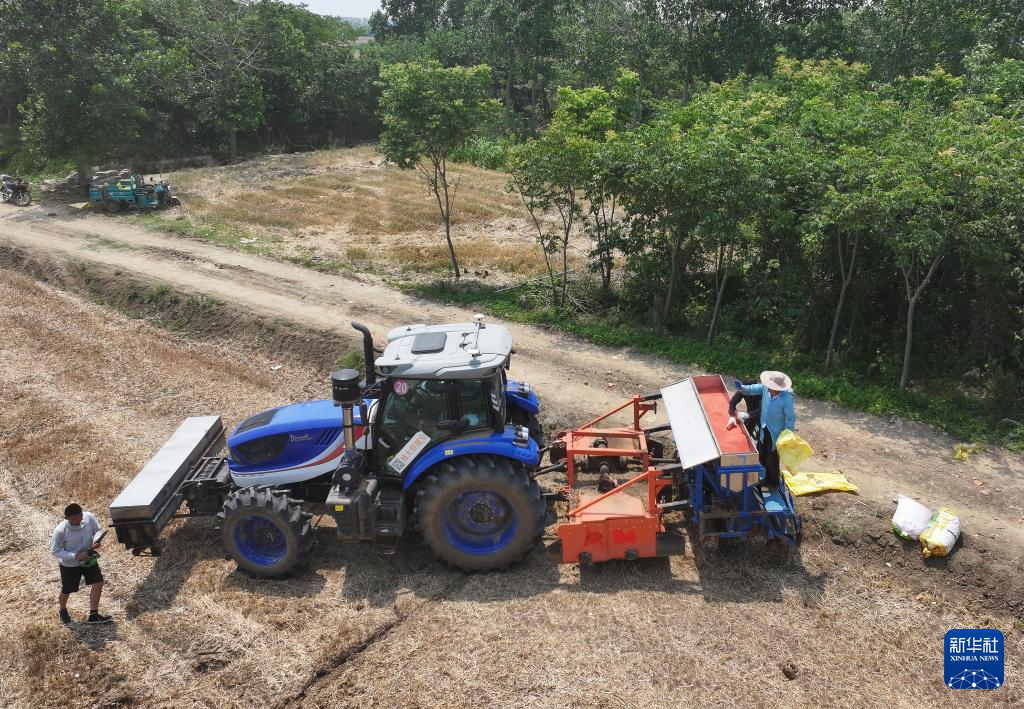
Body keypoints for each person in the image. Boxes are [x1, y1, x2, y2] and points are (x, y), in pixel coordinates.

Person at [728, 371, 795, 488]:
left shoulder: (786, 398)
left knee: (772, 457)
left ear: (778, 389)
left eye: (771, 388)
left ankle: (773, 482)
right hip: (764, 427)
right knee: (761, 451)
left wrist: (788, 434)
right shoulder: (765, 388)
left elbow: (790, 418)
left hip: (776, 431)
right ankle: (764, 474)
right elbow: (753, 388)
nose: (768, 389)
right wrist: (742, 387)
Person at [50, 503, 112, 624]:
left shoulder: (89, 517)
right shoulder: (60, 530)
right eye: (74, 519)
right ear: (66, 518)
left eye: (80, 517)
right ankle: (62, 610)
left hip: (88, 560)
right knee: (67, 590)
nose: (78, 521)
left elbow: (97, 530)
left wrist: (96, 540)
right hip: (70, 565)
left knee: (98, 583)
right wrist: (75, 556)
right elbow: (55, 551)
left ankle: (93, 615)